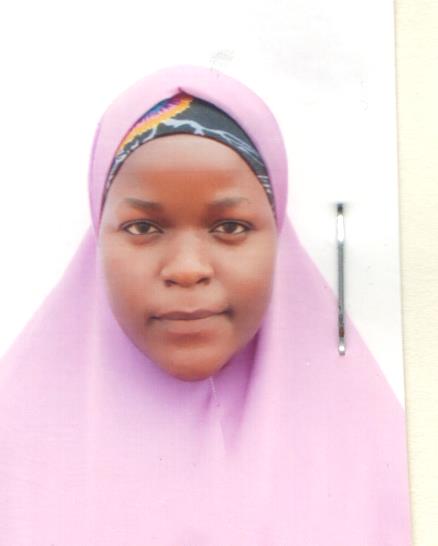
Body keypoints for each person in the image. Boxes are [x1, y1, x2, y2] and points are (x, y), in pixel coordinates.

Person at [0, 65, 412, 545]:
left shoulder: (383, 459)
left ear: (277, 234)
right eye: (142, 228)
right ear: (99, 237)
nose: (187, 268)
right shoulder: (12, 447)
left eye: (230, 227)